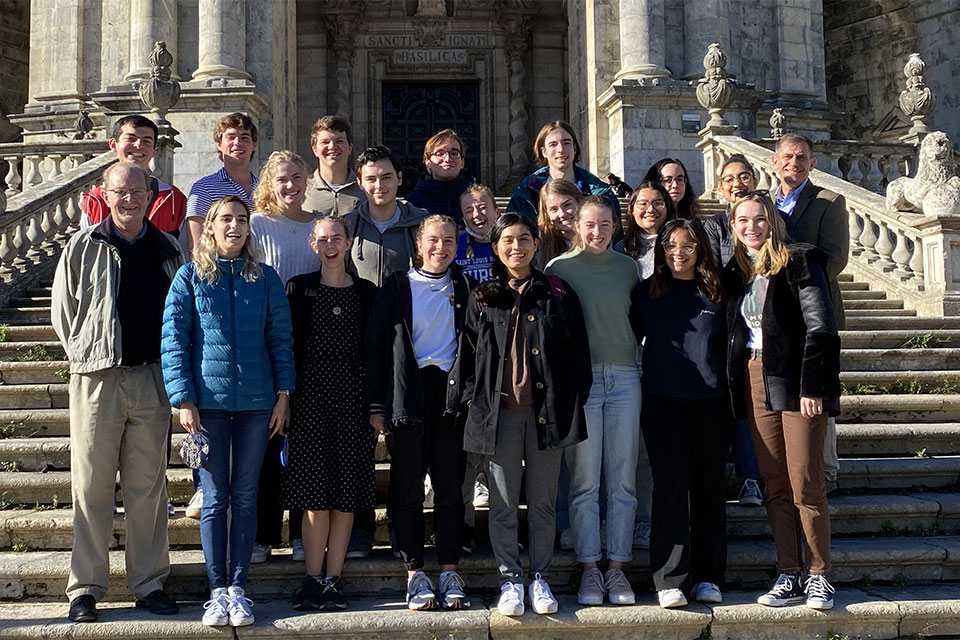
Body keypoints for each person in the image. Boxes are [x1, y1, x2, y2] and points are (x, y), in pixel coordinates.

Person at [52, 162, 185, 623]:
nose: (129, 198)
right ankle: (85, 587)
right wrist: (89, 354)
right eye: (119, 191)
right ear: (104, 195)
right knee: (90, 487)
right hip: (97, 379)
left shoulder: (169, 249)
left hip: (152, 379)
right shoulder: (83, 246)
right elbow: (63, 312)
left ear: (150, 195)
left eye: (137, 191)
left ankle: (148, 583)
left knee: (148, 488)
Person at [161, 195, 295, 627]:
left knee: (246, 495)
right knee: (216, 499)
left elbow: (280, 340)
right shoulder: (189, 277)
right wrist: (182, 398)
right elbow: (174, 342)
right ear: (211, 227)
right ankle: (217, 589)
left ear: (248, 228)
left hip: (258, 405)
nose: (234, 226)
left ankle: (240, 587)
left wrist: (284, 394)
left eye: (241, 220)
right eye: (226, 220)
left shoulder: (266, 278)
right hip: (208, 406)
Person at [461, 213, 591, 617]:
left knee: (542, 501)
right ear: (496, 247)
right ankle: (510, 579)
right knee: (500, 501)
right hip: (499, 414)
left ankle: (540, 576)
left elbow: (578, 354)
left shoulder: (557, 291)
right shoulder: (483, 295)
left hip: (546, 414)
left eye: (524, 240)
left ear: (536, 244)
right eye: (508, 241)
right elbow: (467, 353)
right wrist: (471, 399)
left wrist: (571, 399)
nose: (516, 247)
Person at [723, 192, 840, 611]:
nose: (751, 227)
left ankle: (819, 575)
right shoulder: (737, 272)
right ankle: (788, 572)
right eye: (742, 221)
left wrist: (814, 387)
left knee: (805, 481)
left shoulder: (800, 261)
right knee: (775, 484)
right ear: (733, 226)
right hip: (755, 377)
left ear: (772, 221)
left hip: (795, 380)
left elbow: (821, 328)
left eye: (759, 219)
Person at [366, 215, 475, 611]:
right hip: (407, 396)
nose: (441, 247)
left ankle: (448, 568)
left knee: (449, 487)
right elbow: (377, 348)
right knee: (407, 487)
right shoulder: (396, 287)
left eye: (449, 240)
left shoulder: (465, 286)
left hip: (449, 399)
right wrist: (378, 406)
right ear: (418, 244)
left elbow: (475, 346)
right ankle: (415, 571)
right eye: (433, 240)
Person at [545, 196, 641, 607]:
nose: (597, 231)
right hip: (580, 384)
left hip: (624, 378)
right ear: (576, 226)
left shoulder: (629, 269)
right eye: (589, 224)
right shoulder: (558, 270)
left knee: (621, 479)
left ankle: (617, 568)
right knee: (584, 481)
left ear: (615, 227)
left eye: (605, 224)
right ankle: (589, 568)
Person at [632, 218, 731, 609]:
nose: (679, 252)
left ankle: (709, 577)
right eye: (670, 245)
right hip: (661, 402)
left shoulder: (719, 292)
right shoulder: (645, 293)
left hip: (712, 403)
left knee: (709, 490)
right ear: (660, 250)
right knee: (670, 489)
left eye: (688, 245)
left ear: (701, 249)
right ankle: (669, 579)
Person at [284, 216, 378, 611]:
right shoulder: (299, 289)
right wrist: (285, 400)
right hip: (309, 403)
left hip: (354, 403)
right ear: (312, 245)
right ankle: (311, 578)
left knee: (345, 496)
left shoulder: (368, 293)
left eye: (336, 238)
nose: (329, 245)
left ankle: (334, 580)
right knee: (313, 497)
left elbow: (375, 353)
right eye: (322, 239)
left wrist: (377, 407)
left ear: (349, 242)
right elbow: (286, 347)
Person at [249, 150, 319, 564]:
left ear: (306, 179)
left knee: (304, 446)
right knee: (268, 441)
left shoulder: (318, 227)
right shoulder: (256, 226)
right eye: (282, 179)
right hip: (266, 344)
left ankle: (299, 531)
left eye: (296, 177)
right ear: (269, 184)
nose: (290, 185)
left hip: (310, 345)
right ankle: (263, 533)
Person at [771, 133, 848, 495]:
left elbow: (835, 258)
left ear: (812, 163)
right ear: (774, 162)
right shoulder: (765, 205)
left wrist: (800, 290)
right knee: (788, 390)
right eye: (787, 157)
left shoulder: (829, 201)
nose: (794, 163)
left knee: (819, 388)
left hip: (817, 314)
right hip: (778, 318)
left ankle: (827, 470)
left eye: (801, 157)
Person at [703, 154, 765, 508]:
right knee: (733, 400)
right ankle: (746, 476)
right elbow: (713, 269)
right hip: (728, 318)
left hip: (762, 323)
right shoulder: (714, 225)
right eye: (730, 179)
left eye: (744, 177)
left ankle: (754, 477)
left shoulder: (770, 220)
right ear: (721, 187)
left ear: (754, 179)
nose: (738, 184)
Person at [81, 115, 187, 236]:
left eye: (147, 141)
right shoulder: (95, 200)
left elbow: (183, 250)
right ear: (113, 144)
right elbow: (86, 248)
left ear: (154, 151)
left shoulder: (174, 200)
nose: (138, 145)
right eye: (131, 139)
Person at [345, 145, 430, 287]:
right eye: (371, 179)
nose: (379, 185)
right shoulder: (348, 224)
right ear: (360, 183)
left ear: (399, 178)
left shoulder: (422, 224)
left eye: (386, 177)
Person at [508, 121, 620, 223]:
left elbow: (615, 236)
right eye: (553, 144)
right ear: (544, 152)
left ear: (574, 149)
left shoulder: (601, 194)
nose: (561, 149)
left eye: (566, 143)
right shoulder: (525, 194)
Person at [184, 113, 259, 252]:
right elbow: (196, 246)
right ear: (219, 144)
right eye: (231, 137)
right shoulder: (203, 188)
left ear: (254, 145)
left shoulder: (266, 188)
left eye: (244, 138)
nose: (237, 143)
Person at [405, 129, 473, 225]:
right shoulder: (413, 204)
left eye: (454, 153)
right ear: (428, 162)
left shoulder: (477, 200)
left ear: (462, 162)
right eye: (440, 154)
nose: (447, 159)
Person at [302, 115, 366, 217]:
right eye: (325, 142)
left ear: (350, 148)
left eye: (339, 141)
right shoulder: (302, 189)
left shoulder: (366, 189)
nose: (332, 147)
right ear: (315, 150)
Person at [617, 180, 676, 279]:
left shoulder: (679, 247)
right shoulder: (620, 249)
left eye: (658, 203)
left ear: (667, 208)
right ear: (632, 209)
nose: (650, 210)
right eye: (643, 204)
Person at [455, 183, 501, 283]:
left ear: (496, 212)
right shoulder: (454, 246)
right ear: (463, 219)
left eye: (483, 208)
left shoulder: (510, 243)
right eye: (469, 211)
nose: (476, 214)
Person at [536, 179, 583, 268]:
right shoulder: (540, 250)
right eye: (554, 209)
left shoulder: (599, 240)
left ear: (580, 202)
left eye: (567, 205)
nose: (562, 214)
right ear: (547, 214)